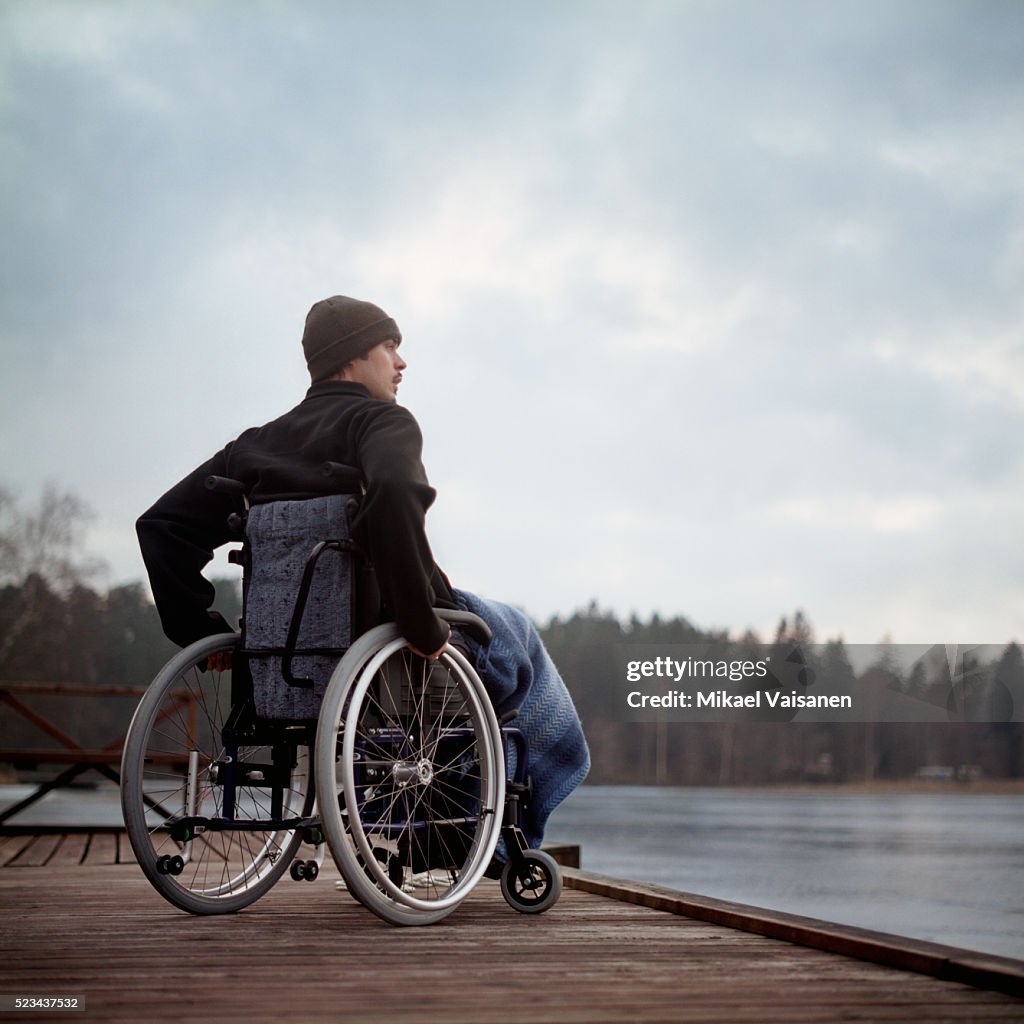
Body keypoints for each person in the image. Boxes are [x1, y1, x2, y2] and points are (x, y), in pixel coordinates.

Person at [137, 295, 589, 848]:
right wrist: (419, 622)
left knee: (479, 676)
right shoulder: (381, 421)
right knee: (522, 651)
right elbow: (395, 493)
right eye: (390, 346)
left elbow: (161, 526)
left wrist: (201, 632)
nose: (401, 363)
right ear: (353, 357)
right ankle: (488, 839)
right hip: (390, 638)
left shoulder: (253, 447)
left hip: (281, 664)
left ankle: (442, 822)